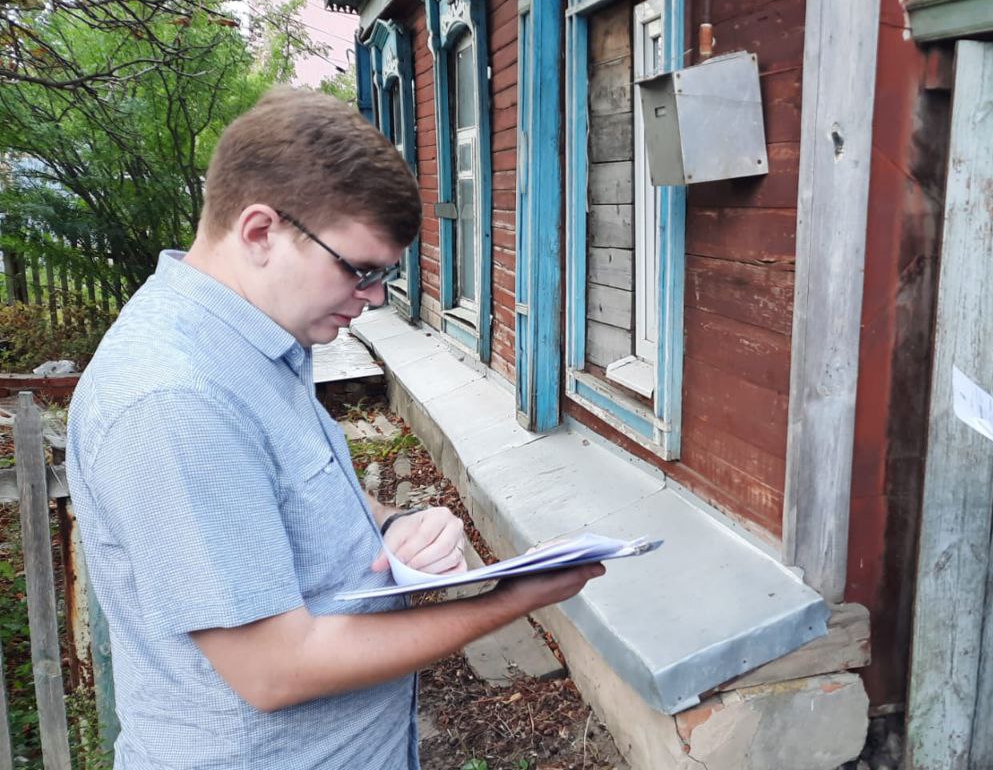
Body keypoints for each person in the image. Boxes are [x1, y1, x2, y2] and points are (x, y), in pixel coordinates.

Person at [66, 88, 603, 769]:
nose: (376, 296)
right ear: (260, 232)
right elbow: (274, 670)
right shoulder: (175, 401)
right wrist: (512, 596)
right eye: (360, 270)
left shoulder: (259, 342)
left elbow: (290, 498)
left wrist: (390, 525)